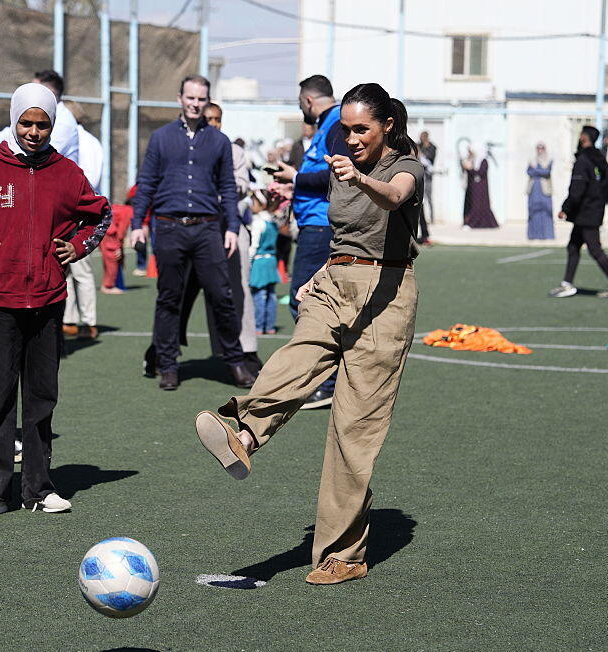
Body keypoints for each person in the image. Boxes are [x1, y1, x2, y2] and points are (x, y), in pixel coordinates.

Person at [195, 82, 423, 586]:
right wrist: (321, 272)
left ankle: (344, 554)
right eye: (346, 129)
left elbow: (393, 198)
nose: (352, 138)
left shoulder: (405, 165)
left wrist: (360, 178)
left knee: (353, 429)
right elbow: (347, 236)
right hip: (333, 283)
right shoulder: (341, 163)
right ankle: (244, 435)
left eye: (361, 129)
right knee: (296, 358)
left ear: (387, 126)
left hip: (385, 297)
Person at [0, 83, 110, 519]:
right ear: (14, 121)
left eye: (41, 125)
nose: (33, 131)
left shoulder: (66, 172)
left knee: (42, 398)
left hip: (47, 300)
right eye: (25, 123)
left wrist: (77, 246)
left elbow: (101, 213)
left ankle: (39, 488)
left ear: (51, 126)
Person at [130, 75, 255, 391]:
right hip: (169, 227)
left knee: (221, 295)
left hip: (207, 228)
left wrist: (232, 227)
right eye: (190, 98)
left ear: (207, 101)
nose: (195, 104)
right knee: (169, 298)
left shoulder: (219, 141)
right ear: (180, 98)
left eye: (201, 99)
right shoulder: (160, 138)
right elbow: (146, 183)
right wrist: (137, 223)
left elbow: (228, 187)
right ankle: (168, 365)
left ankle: (235, 361)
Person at [273, 74, 350, 409]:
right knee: (311, 302)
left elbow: (337, 175)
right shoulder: (326, 125)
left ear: (308, 100)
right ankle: (325, 379)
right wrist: (293, 186)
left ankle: (325, 381)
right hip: (313, 225)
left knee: (306, 302)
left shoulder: (335, 125)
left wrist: (296, 177)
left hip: (321, 227)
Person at [35, 73, 97, 341]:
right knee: (66, 270)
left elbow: (90, 177)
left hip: (75, 213)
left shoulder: (70, 129)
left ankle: (88, 321)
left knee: (80, 269)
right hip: (61, 210)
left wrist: (83, 205)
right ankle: (69, 320)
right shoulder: (59, 125)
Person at [549, 125, 608, 298]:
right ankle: (567, 284)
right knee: (573, 246)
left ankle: (567, 284)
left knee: (595, 249)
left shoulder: (583, 160)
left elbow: (577, 189)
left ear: (584, 137)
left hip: (586, 212)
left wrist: (565, 208)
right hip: (594, 209)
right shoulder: (599, 158)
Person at [248, 189, 281, 335]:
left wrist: (248, 261)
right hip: (271, 260)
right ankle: (270, 326)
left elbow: (254, 245)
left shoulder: (257, 222)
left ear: (261, 204)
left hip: (259, 261)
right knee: (271, 294)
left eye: (254, 201)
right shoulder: (273, 221)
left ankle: (258, 326)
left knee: (259, 295)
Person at [461, 145, 498, 228]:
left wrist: (470, 169)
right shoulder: (472, 160)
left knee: (478, 206)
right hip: (472, 187)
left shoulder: (483, 161)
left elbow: (480, 173)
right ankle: (468, 222)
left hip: (481, 188)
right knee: (471, 205)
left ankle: (474, 223)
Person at [527, 142, 555, 240]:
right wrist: (538, 170)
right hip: (534, 188)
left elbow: (546, 172)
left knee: (545, 210)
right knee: (533, 210)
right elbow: (529, 172)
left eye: (542, 148)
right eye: (538, 148)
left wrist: (536, 170)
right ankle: (533, 235)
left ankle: (547, 234)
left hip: (545, 189)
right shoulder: (532, 160)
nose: (540, 150)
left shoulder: (549, 160)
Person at [418, 131, 437, 224]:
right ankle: (420, 218)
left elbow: (431, 158)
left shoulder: (432, 147)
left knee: (429, 197)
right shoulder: (418, 146)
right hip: (420, 174)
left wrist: (422, 154)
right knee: (420, 198)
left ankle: (432, 218)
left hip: (428, 175)